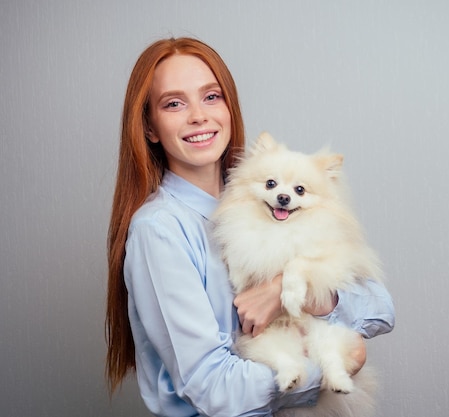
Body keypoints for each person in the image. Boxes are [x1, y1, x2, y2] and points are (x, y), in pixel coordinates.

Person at [105, 37, 395, 417]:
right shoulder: (159, 231)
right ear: (150, 127)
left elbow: (380, 307)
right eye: (174, 103)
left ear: (229, 106)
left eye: (211, 97)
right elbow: (212, 389)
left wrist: (291, 291)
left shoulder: (266, 197)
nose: (198, 116)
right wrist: (333, 364)